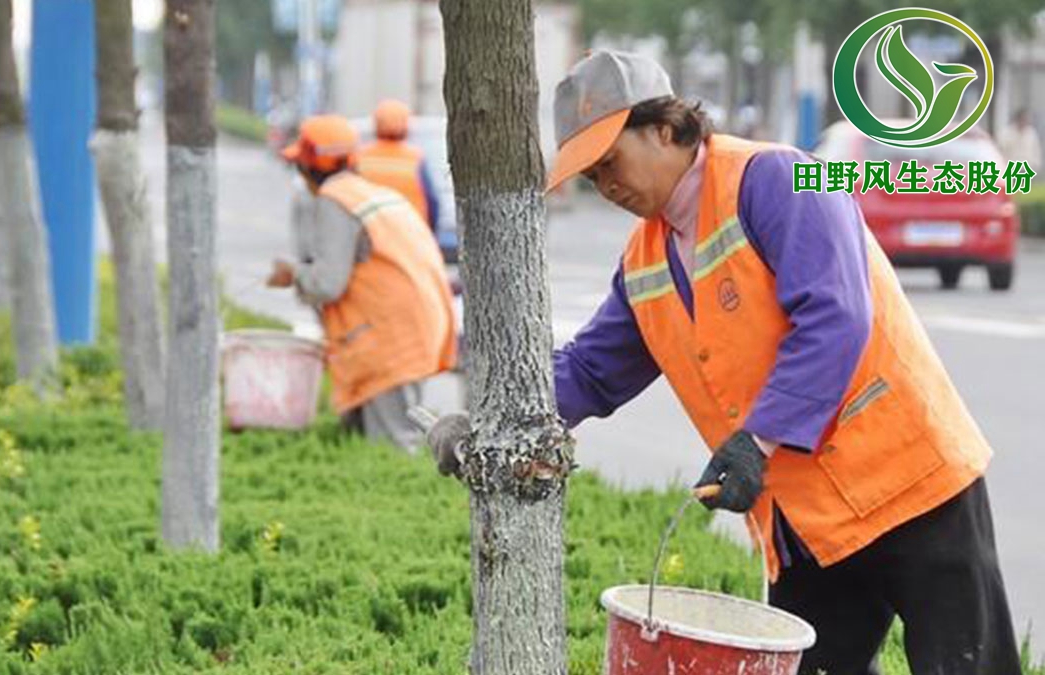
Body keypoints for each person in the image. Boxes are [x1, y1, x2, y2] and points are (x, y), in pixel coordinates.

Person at [427, 51, 1021, 674]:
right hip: (804, 524)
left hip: (907, 483)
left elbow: (835, 316)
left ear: (665, 127)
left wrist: (755, 443)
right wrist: (486, 424)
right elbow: (589, 371)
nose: (606, 187)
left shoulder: (777, 178)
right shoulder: (645, 259)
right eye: (591, 177)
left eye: (610, 162)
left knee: (967, 664)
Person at [268, 115, 457, 452]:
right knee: (369, 441)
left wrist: (292, 274)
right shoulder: (368, 192)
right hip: (410, 326)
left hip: (387, 338)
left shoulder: (334, 198)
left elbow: (327, 283)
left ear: (310, 167)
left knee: (395, 448)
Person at [355, 99, 440, 235]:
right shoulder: (415, 158)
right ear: (406, 126)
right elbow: (432, 201)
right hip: (410, 235)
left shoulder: (360, 157)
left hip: (371, 234)